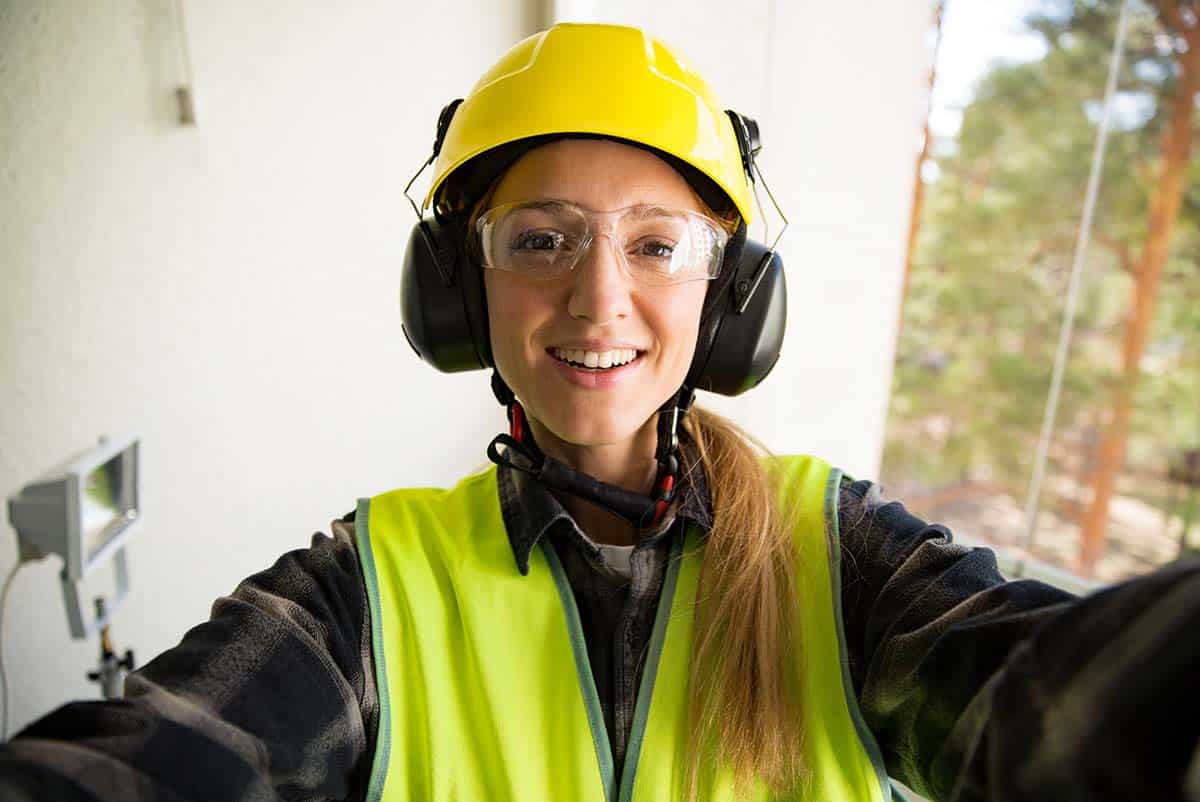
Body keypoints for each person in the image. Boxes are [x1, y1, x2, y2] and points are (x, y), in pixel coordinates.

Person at [1, 21, 1198, 802]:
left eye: (658, 244)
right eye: (541, 240)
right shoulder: (371, 587)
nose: (599, 297)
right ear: (462, 291)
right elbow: (159, 763)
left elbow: (1056, 700)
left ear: (728, 298)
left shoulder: (843, 556)